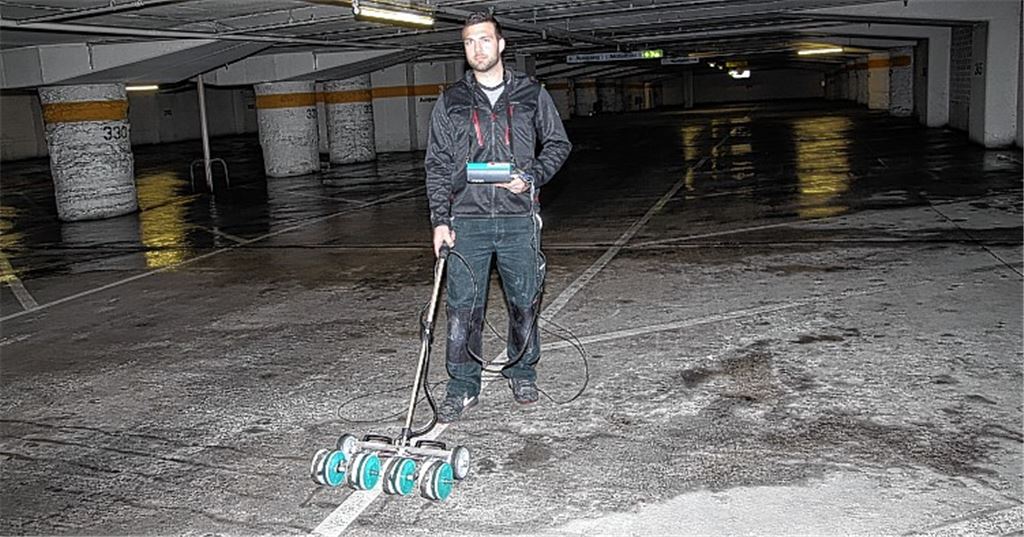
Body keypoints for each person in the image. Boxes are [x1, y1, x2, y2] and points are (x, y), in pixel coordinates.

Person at [424, 11, 572, 423]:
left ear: (501, 44)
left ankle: (522, 371)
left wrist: (533, 178)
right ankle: (462, 383)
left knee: (524, 302)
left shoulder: (531, 93)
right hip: (465, 221)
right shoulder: (450, 100)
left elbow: (558, 145)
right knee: (462, 308)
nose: (478, 49)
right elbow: (436, 163)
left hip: (518, 219)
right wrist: (440, 219)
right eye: (470, 42)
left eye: (485, 40)